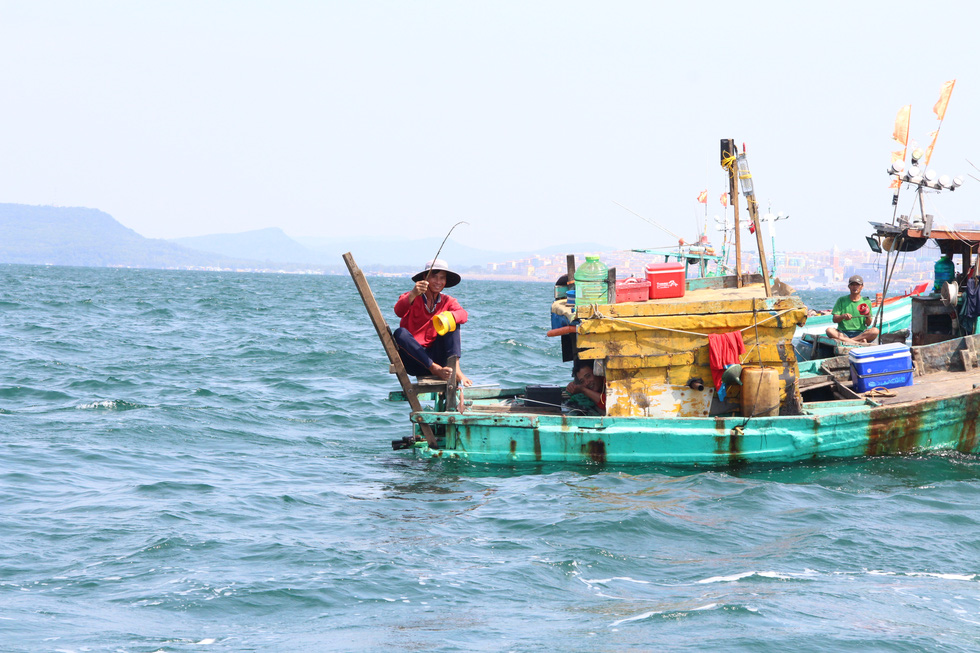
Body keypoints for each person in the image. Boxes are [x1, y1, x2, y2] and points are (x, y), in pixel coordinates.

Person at [393, 258, 472, 387]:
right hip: (415, 360)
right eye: (434, 277)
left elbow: (464, 315)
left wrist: (449, 316)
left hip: (438, 360)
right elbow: (398, 311)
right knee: (400, 333)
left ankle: (456, 368)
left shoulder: (448, 301)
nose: (438, 282)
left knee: (453, 323)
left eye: (442, 278)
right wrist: (413, 293)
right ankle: (434, 368)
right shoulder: (411, 296)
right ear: (425, 278)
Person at [825, 275, 879, 344]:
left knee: (875, 331)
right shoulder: (841, 300)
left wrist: (867, 314)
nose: (855, 287)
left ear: (862, 286)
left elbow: (868, 323)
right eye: (852, 285)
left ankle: (850, 341)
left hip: (860, 334)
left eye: (857, 285)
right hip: (843, 333)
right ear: (849, 287)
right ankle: (857, 342)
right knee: (829, 330)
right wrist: (843, 316)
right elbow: (835, 319)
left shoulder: (866, 301)